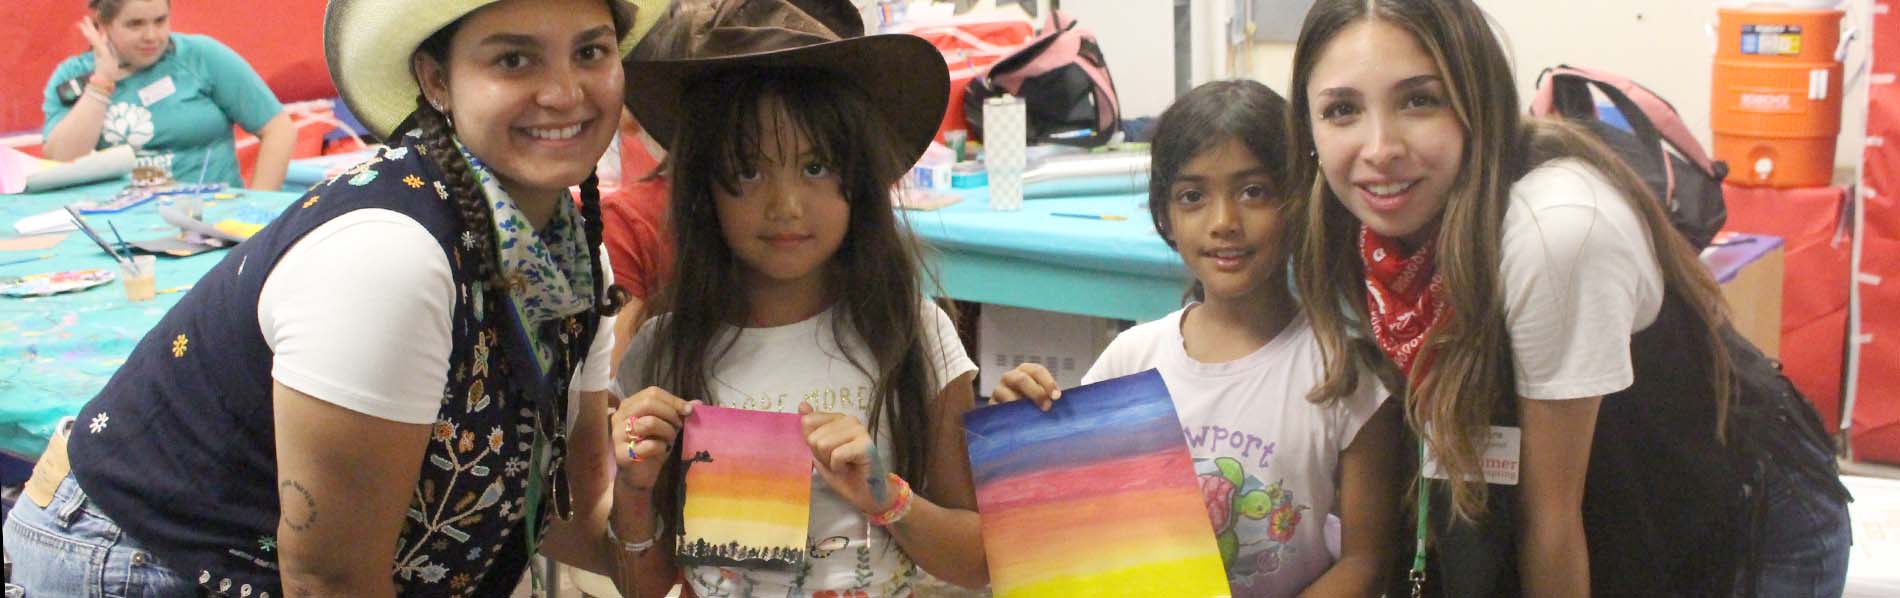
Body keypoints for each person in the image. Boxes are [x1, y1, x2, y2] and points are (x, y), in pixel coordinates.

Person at [2, 0, 675, 596]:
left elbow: (570, 514)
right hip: (146, 561)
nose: (564, 92)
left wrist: (655, 510)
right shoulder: (393, 257)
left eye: (590, 51)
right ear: (437, 80)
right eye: (514, 59)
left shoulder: (569, 252)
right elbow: (328, 579)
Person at [1282, 1, 1852, 596]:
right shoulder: (1362, 227)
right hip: (1600, 503)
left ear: (1478, 101)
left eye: (1419, 99)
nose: (1379, 148)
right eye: (1342, 109)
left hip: (1737, 513)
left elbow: (1552, 524)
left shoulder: (1555, 231)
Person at [610, 1, 987, 595]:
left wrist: (885, 497)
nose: (785, 206)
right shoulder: (662, 351)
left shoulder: (912, 332)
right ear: (703, 188)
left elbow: (979, 560)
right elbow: (645, 585)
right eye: (748, 171)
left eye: (816, 167)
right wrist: (632, 489)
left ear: (859, 178)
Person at [989, 79, 1400, 597]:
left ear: (1298, 200)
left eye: (1254, 191)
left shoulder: (1344, 370)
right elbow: (1073, 530)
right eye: (1193, 196)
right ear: (1166, 216)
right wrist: (1027, 414)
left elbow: (1367, 562)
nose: (1224, 222)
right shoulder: (1132, 358)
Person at [40, 0, 294, 189]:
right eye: (135, 24)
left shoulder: (202, 56)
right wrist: (101, 83)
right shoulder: (74, 76)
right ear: (103, 25)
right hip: (118, 221)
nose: (151, 36)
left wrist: (257, 214)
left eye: (160, 21)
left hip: (209, 216)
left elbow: (279, 129)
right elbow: (63, 161)